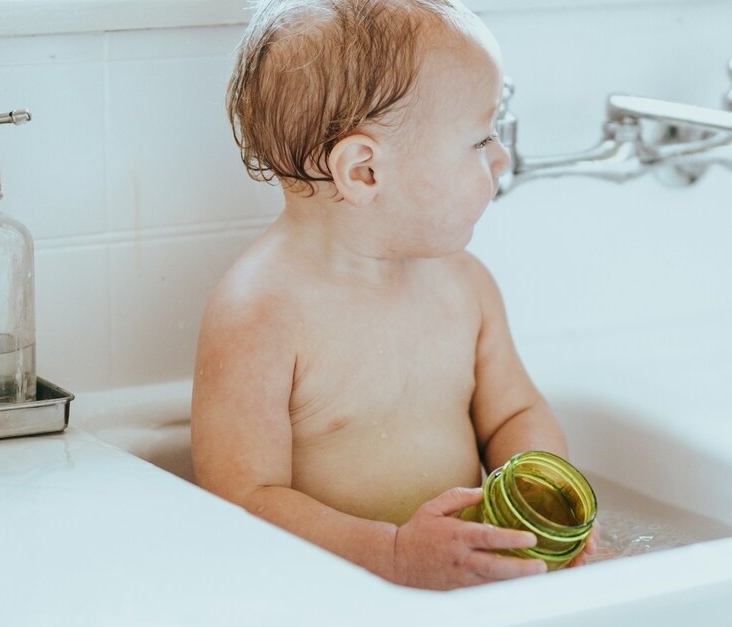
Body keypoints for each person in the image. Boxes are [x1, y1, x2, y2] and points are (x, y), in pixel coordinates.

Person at [190, 0, 593, 590]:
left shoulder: (464, 284)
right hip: (334, 593)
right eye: (480, 140)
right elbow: (242, 499)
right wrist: (394, 554)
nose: (502, 157)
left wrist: (540, 500)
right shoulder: (262, 312)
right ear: (364, 172)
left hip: (465, 580)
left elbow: (514, 413)